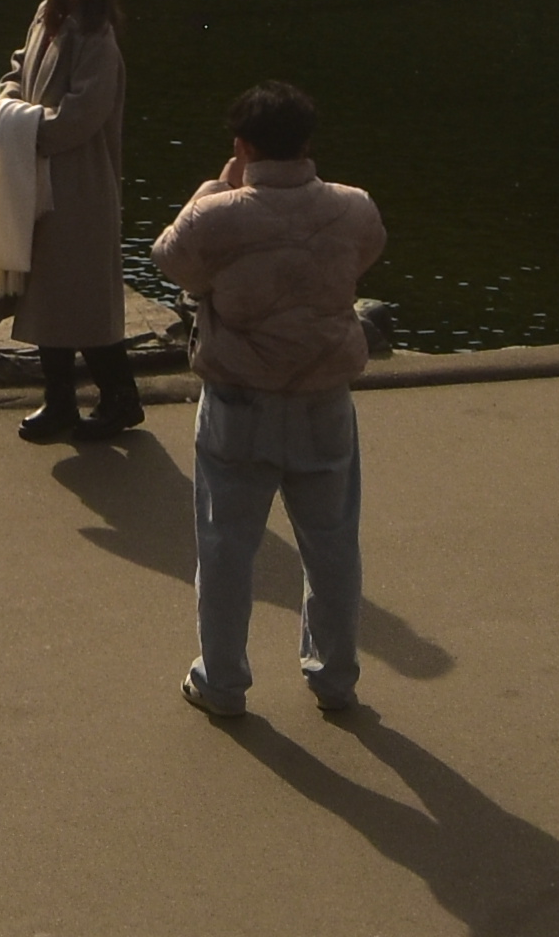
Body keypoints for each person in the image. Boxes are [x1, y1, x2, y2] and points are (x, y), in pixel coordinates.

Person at [156, 77, 385, 724]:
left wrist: (216, 187)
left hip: (239, 400)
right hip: (323, 396)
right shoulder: (354, 208)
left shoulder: (218, 215)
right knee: (333, 543)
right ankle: (334, 677)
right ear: (308, 142)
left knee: (227, 546)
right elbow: (365, 256)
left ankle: (223, 681)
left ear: (242, 145)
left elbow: (172, 258)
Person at [3, 0, 139, 443]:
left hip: (80, 186)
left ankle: (117, 398)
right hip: (40, 179)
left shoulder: (98, 37)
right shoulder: (47, 18)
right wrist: (6, 104)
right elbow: (17, 68)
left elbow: (82, 116)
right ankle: (62, 401)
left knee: (80, 295)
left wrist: (26, 130)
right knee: (48, 293)